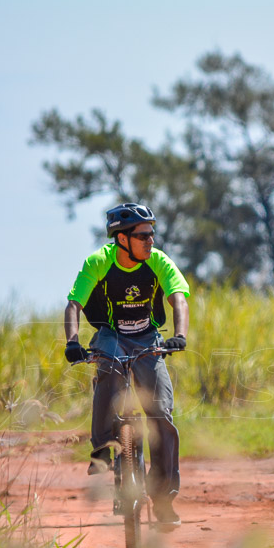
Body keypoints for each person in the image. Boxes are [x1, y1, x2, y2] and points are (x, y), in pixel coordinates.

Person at [63, 203, 190, 530]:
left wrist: (179, 335)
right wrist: (73, 341)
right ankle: (103, 451)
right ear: (121, 239)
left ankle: (162, 500)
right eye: (143, 235)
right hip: (110, 335)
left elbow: (179, 297)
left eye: (152, 233)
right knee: (107, 372)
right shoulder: (99, 262)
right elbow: (74, 303)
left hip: (148, 338)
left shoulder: (158, 261)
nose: (151, 240)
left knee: (162, 413)